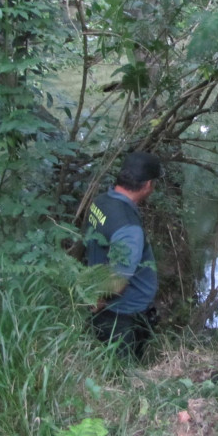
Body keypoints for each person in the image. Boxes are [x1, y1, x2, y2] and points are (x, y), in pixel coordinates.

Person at [84, 151, 163, 360]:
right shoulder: (129, 228)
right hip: (122, 317)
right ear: (147, 185)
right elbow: (118, 282)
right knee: (122, 375)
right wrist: (99, 300)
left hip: (102, 307)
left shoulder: (100, 202)